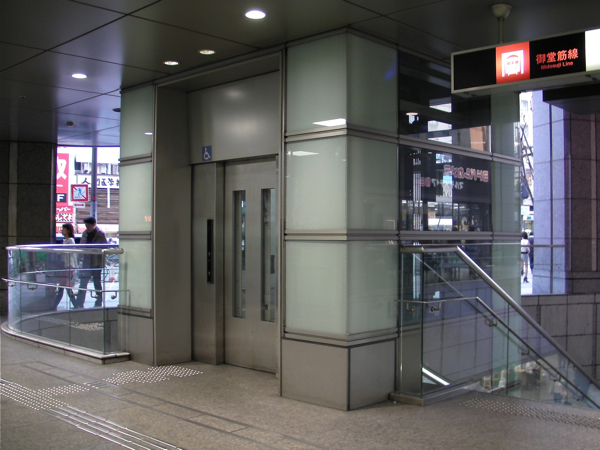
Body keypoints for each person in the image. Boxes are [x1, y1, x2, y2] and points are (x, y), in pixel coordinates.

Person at [75, 216, 107, 308]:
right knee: (83, 282)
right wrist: (78, 260)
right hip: (86, 261)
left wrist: (102, 263)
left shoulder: (100, 234)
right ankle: (79, 303)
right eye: (86, 225)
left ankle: (98, 302)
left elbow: (105, 248)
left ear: (94, 225)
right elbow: (81, 247)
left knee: (97, 282)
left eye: (89, 225)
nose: (87, 227)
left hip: (96, 262)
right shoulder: (85, 233)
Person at [52, 223, 78, 310]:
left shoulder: (70, 240)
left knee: (62, 287)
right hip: (67, 266)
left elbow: (64, 251)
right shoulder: (66, 241)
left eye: (63, 229)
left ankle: (53, 306)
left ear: (68, 230)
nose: (62, 230)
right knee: (66, 287)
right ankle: (76, 305)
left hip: (70, 266)